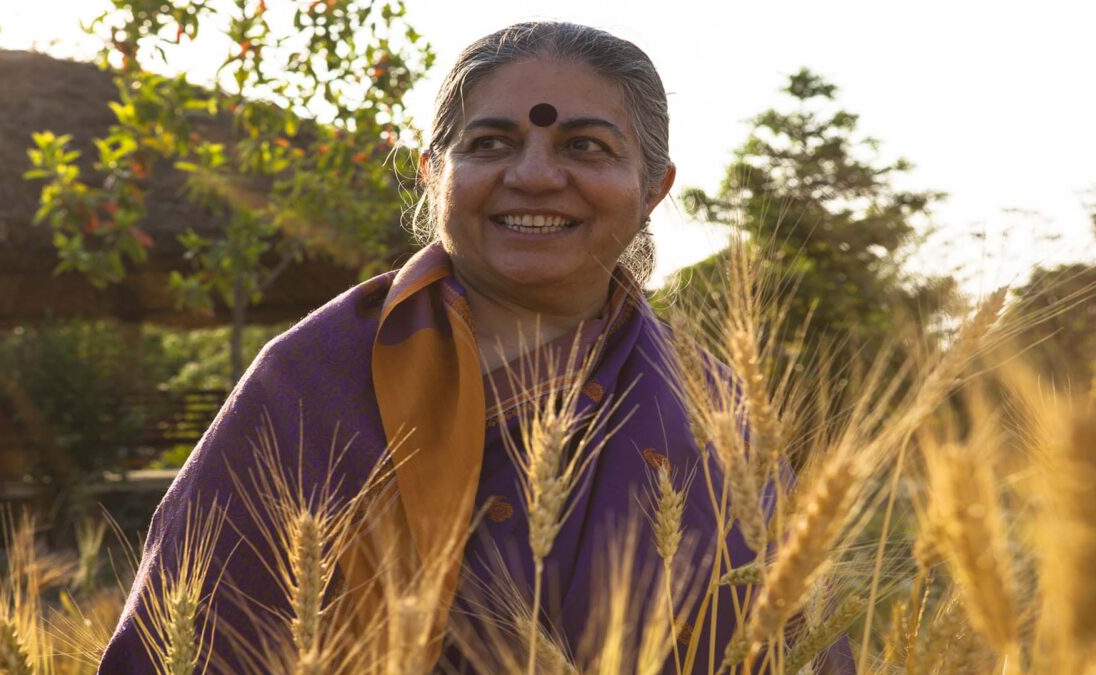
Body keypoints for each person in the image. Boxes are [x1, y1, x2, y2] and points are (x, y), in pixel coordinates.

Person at [100, 21, 853, 674]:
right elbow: (183, 635)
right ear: (433, 174)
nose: (532, 175)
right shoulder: (316, 380)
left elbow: (800, 642)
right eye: (491, 142)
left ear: (653, 186)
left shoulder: (714, 412)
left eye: (585, 146)